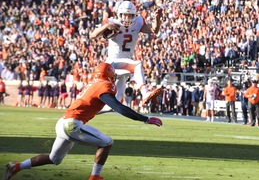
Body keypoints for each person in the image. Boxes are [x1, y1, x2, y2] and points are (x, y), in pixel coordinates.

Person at [2, 63, 162, 180]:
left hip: (63, 123)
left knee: (53, 159)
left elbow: (95, 108)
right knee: (107, 142)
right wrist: (145, 119)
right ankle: (95, 176)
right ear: (109, 75)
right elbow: (119, 107)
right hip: (72, 124)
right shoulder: (104, 86)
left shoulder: (93, 85)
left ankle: (16, 166)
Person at [90, 0, 163, 107]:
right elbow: (93, 35)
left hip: (125, 64)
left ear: (134, 15)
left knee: (115, 103)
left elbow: (154, 30)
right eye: (125, 15)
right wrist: (106, 26)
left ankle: (87, 112)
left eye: (130, 16)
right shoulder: (111, 22)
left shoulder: (138, 22)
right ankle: (145, 92)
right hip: (113, 62)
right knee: (137, 65)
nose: (127, 18)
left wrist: (157, 19)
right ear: (119, 14)